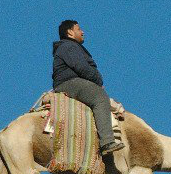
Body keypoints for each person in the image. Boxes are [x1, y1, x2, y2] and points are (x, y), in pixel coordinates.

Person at [52, 20, 124, 154]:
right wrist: (98, 81)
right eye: (78, 29)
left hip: (71, 82)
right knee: (100, 97)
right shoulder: (69, 47)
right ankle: (107, 142)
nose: (82, 31)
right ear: (70, 33)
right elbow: (82, 67)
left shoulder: (68, 47)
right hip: (69, 82)